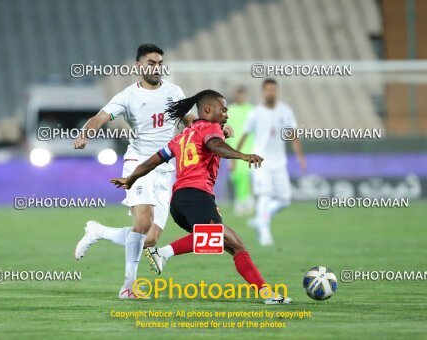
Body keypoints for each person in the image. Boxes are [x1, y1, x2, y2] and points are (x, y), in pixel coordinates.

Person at [111, 90, 291, 304]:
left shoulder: (182, 136)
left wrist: (130, 179)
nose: (226, 114)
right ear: (207, 110)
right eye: (223, 109)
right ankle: (163, 254)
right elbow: (215, 145)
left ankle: (267, 294)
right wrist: (243, 155)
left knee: (234, 245)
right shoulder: (211, 128)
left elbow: (152, 162)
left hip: (179, 202)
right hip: (197, 195)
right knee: (213, 235)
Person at [73, 43, 198, 299]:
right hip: (139, 166)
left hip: (165, 169)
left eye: (160, 63)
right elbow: (100, 117)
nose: (156, 68)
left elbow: (192, 122)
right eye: (151, 63)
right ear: (139, 66)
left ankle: (99, 232)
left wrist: (215, 130)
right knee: (142, 222)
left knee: (149, 238)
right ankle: (128, 287)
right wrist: (85, 133)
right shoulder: (128, 96)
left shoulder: (174, 92)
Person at [237, 79, 306, 246]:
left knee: (284, 199)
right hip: (260, 161)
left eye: (273, 90)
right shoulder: (256, 113)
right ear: (263, 92)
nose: (270, 93)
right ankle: (264, 234)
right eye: (267, 90)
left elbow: (293, 135)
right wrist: (237, 157)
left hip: (279, 162)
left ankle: (260, 219)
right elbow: (245, 134)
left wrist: (300, 157)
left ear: (277, 91)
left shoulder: (286, 111)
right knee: (265, 194)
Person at [227, 86, 255, 216]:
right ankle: (244, 200)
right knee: (236, 177)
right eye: (238, 95)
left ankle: (244, 202)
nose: (240, 97)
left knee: (246, 175)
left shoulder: (252, 110)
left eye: (242, 95)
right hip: (233, 148)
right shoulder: (230, 110)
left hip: (250, 148)